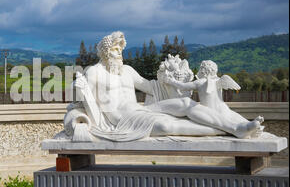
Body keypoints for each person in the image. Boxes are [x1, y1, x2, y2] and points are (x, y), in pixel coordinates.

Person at [74, 31, 262, 141]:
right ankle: (228, 131)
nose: (120, 53)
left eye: (121, 49)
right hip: (122, 121)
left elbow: (150, 87)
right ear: (105, 53)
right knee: (165, 126)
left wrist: (169, 79)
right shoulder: (94, 73)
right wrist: (78, 93)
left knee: (183, 104)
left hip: (142, 110)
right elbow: (81, 103)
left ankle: (237, 127)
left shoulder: (127, 70)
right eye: (115, 50)